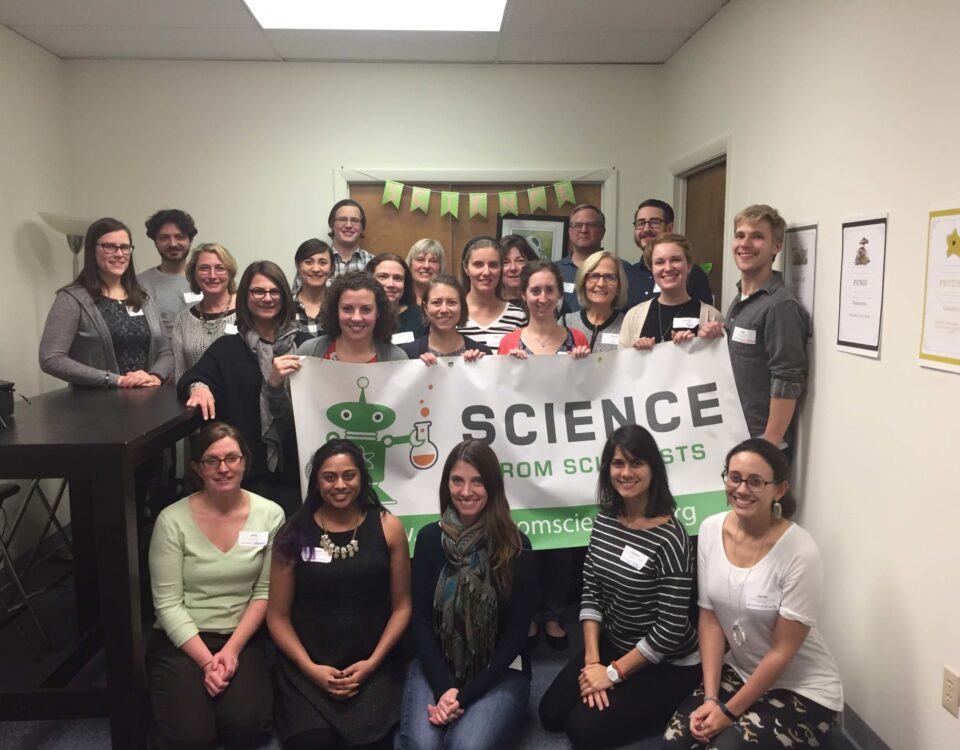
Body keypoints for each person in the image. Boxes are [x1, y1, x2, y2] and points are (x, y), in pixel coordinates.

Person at [663, 439, 842, 749]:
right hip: (741, 671)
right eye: (734, 477)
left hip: (802, 687)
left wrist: (728, 712)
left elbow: (781, 652)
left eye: (756, 481)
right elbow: (708, 617)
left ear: (780, 489)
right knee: (674, 743)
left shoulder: (800, 551)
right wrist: (711, 697)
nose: (742, 489)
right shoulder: (710, 529)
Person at [539, 425, 701, 749]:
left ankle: (680, 700)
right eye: (618, 463)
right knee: (550, 713)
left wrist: (612, 675)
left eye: (636, 463)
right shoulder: (604, 520)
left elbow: (670, 629)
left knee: (582, 731)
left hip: (667, 660)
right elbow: (591, 592)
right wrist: (592, 662)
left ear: (653, 469)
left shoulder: (671, 536)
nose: (626, 472)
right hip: (617, 642)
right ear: (607, 469)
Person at [147, 421, 284, 749]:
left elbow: (264, 592)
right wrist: (208, 663)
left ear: (245, 461)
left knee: (249, 728)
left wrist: (231, 651)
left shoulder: (271, 516)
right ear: (197, 468)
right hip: (181, 638)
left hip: (239, 637)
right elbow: (167, 604)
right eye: (212, 461)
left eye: (232, 458)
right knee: (190, 738)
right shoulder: (171, 520)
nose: (223, 468)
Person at [268, 438, 410, 749]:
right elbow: (277, 616)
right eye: (329, 477)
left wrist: (372, 664)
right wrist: (310, 669)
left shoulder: (389, 527)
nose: (340, 485)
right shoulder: (293, 533)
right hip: (307, 671)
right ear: (316, 482)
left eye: (349, 475)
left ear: (362, 477)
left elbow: (402, 607)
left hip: (373, 666)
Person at [395, 440, 537, 750]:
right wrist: (445, 687)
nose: (466, 491)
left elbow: (515, 637)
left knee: (465, 747)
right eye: (457, 480)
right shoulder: (430, 538)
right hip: (437, 665)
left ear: (492, 487)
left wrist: (463, 696)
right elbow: (420, 622)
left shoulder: (516, 546)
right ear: (447, 484)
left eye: (477, 481)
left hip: (499, 671)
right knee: (421, 745)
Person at [499, 260, 589, 652]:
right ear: (524, 295)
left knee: (562, 538)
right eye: (534, 291)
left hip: (565, 453)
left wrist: (586, 368)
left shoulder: (578, 339)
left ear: (559, 295)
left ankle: (552, 613)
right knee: (523, 538)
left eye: (548, 290)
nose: (541, 298)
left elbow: (592, 392)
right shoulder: (508, 342)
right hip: (520, 457)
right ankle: (529, 615)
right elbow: (494, 394)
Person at [178, 261, 301, 515]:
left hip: (297, 472)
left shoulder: (304, 346)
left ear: (285, 297)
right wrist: (198, 386)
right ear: (245, 297)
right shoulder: (227, 348)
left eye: (274, 291)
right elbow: (190, 379)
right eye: (258, 291)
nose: (267, 298)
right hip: (245, 475)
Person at [711, 205, 810, 456]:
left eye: (757, 236)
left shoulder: (780, 306)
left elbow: (787, 378)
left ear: (776, 247)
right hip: (733, 433)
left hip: (760, 443)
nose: (745, 243)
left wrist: (769, 442)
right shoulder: (740, 299)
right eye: (740, 235)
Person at [39, 217, 173, 388]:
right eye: (109, 247)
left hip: (145, 403)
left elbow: (165, 352)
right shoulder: (71, 299)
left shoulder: (144, 297)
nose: (119, 254)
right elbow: (51, 358)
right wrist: (116, 380)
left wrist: (155, 376)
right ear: (92, 250)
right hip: (95, 407)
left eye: (125, 247)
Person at [619, 234, 723, 350]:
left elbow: (719, 364)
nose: (668, 268)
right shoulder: (633, 317)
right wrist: (637, 353)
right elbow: (624, 366)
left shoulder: (712, 317)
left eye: (676, 260)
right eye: (659, 262)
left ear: (689, 266)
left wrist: (703, 344)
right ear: (651, 269)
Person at [629, 199, 713, 307]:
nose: (646, 229)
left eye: (654, 222)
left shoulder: (691, 274)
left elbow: (705, 318)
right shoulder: (628, 275)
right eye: (640, 223)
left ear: (669, 228)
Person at [172, 243, 238, 380]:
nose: (212, 275)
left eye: (220, 268)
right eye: (204, 268)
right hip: (195, 399)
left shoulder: (247, 312)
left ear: (230, 273)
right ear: (194, 274)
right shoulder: (183, 320)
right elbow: (180, 375)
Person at [138, 208, 199, 343]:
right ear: (155, 242)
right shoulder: (140, 284)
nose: (172, 244)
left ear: (190, 240)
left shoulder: (208, 280)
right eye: (164, 238)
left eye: (180, 237)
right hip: (159, 360)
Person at [399, 275, 492, 363]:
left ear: (462, 307)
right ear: (425, 308)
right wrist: (416, 369)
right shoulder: (408, 354)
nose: (444, 309)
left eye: (451, 302)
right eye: (436, 302)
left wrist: (480, 366)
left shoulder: (481, 353)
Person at [457, 236, 526, 350]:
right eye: (478, 264)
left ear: (501, 268)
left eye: (493, 265)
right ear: (466, 268)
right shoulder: (452, 313)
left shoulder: (517, 316)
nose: (486, 272)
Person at [561, 250, 629, 352]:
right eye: (594, 276)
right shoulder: (566, 322)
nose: (601, 284)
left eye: (610, 277)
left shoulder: (628, 325)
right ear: (583, 282)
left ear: (619, 286)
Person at [367, 253, 426, 343]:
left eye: (397, 278)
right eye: (383, 277)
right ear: (369, 279)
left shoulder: (420, 317)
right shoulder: (361, 316)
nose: (391, 284)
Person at [559, 204, 608, 313]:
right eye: (577, 225)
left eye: (591, 225)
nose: (584, 230)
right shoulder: (553, 270)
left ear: (602, 232)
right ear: (569, 231)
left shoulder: (620, 270)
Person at [292, 238, 334, 340]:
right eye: (309, 262)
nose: (315, 269)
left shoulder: (338, 305)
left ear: (331, 268)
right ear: (298, 266)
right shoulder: (285, 307)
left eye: (322, 263)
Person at [328, 199, 374, 278]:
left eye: (354, 220)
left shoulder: (373, 263)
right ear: (332, 225)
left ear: (362, 228)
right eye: (342, 219)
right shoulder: (316, 263)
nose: (348, 225)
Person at [499, 235, 539, 304]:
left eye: (520, 261)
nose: (513, 268)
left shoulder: (542, 302)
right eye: (505, 262)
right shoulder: (488, 304)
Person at [406, 238, 446, 305]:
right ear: (410, 264)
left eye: (433, 261)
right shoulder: (399, 299)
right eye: (420, 260)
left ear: (440, 267)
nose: (426, 266)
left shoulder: (448, 300)